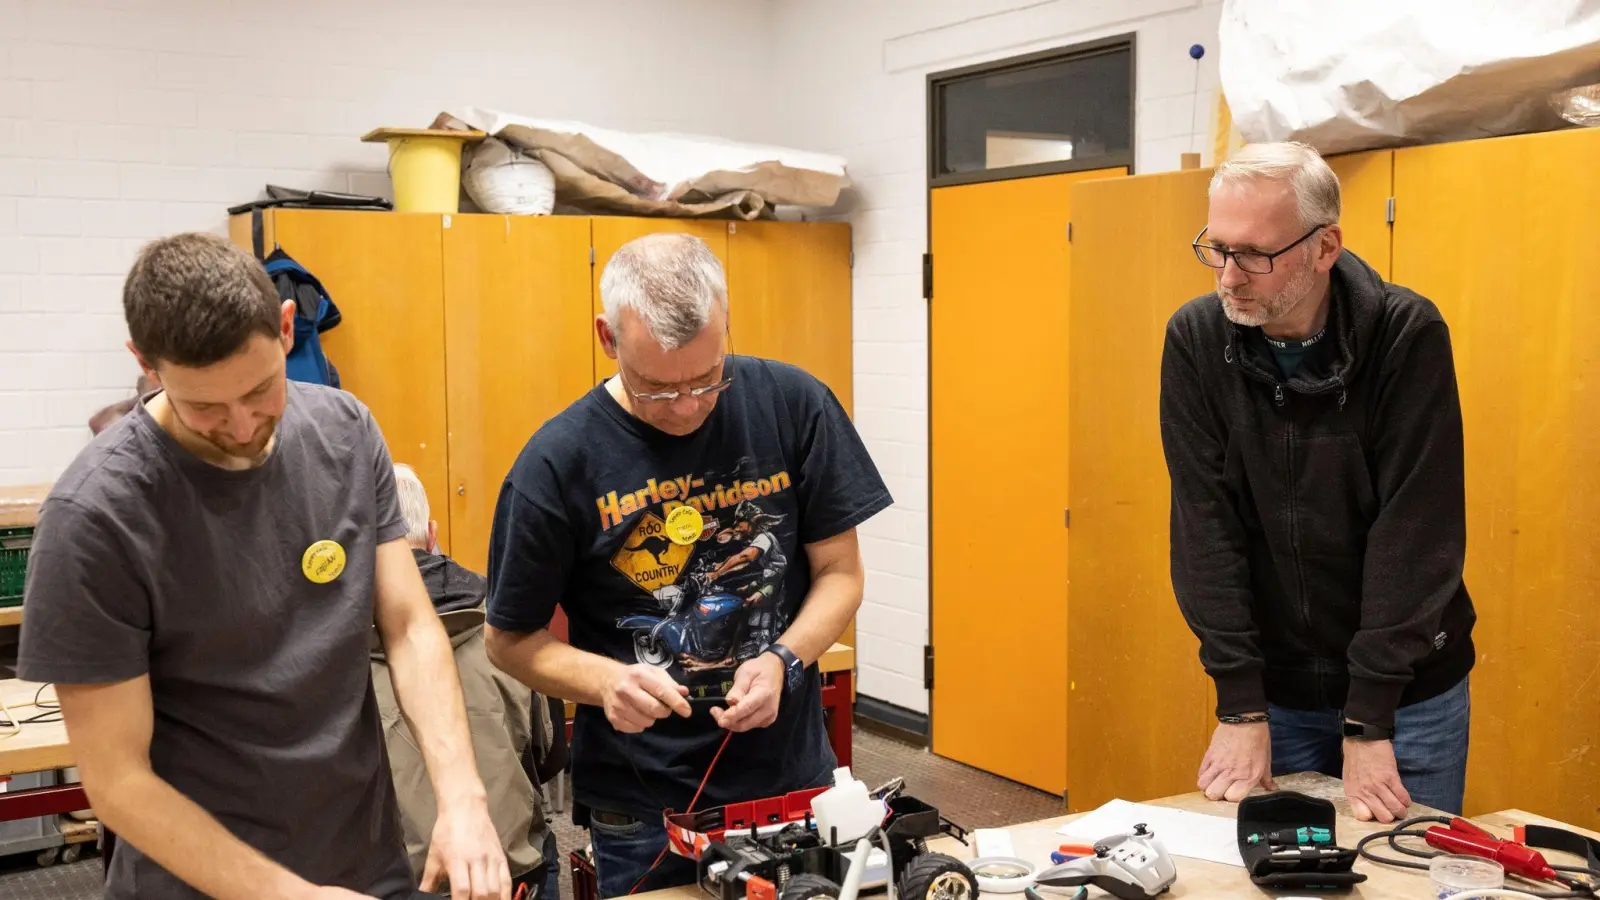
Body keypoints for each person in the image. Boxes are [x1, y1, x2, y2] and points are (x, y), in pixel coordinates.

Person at [18, 233, 509, 900]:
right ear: (145, 362)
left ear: (285, 328)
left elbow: (408, 625)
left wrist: (462, 796)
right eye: (206, 408)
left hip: (363, 866)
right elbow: (117, 782)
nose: (244, 424)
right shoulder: (96, 517)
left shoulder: (345, 432)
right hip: (198, 884)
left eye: (260, 389)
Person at [481, 233, 892, 898]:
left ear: (726, 319)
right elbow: (509, 640)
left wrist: (785, 659)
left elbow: (841, 575)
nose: (686, 407)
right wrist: (605, 681)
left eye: (706, 379)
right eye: (656, 387)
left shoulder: (794, 405)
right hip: (645, 807)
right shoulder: (556, 464)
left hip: (793, 780)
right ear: (606, 338)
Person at [1160, 142, 1476, 822]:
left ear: (1325, 246)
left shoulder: (1405, 335)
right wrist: (1240, 701)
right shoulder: (1195, 340)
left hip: (1409, 696)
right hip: (1276, 694)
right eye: (1216, 248)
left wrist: (1368, 718)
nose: (1229, 276)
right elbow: (1204, 526)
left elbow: (1415, 534)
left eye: (1255, 253)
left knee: (1407, 879)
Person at [377, 464, 561, 900]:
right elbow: (551, 755)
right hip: (516, 874)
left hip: (396, 884)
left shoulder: (329, 645)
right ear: (433, 533)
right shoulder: (511, 624)